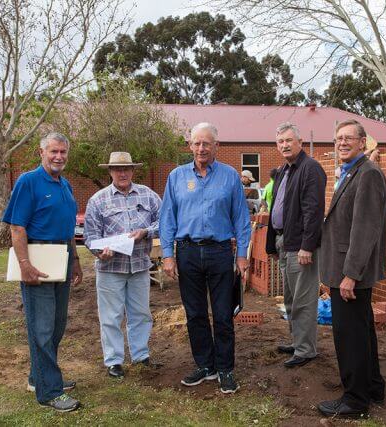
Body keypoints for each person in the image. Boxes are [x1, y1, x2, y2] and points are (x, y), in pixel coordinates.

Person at [159, 122, 251, 394]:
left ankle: (225, 369)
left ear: (216, 146)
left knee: (223, 314)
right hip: (187, 252)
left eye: (206, 143)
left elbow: (241, 219)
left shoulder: (230, 176)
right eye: (196, 143)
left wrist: (242, 256)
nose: (201, 148)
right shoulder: (176, 177)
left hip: (220, 252)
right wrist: (167, 255)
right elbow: (167, 219)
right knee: (195, 313)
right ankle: (205, 365)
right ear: (190, 146)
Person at [2, 132, 83, 413]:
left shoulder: (65, 185)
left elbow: (68, 226)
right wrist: (24, 264)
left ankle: (38, 377)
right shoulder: (28, 181)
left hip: (61, 257)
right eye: (53, 152)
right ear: (41, 152)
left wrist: (75, 260)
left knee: (57, 325)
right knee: (42, 327)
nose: (59, 157)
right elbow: (17, 227)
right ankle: (50, 391)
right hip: (37, 258)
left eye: (63, 152)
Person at [317, 119, 386, 418]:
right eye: (338, 139)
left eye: (349, 138)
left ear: (363, 142)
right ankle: (372, 386)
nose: (342, 143)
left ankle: (355, 400)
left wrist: (350, 275)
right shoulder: (353, 172)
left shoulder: (368, 174)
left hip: (350, 272)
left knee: (349, 336)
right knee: (362, 332)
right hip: (345, 268)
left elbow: (365, 229)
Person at [83, 152, 161, 379]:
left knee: (141, 313)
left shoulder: (148, 195)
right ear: (110, 172)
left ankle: (140, 355)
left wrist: (146, 231)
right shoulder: (98, 200)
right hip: (110, 269)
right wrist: (99, 251)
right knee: (111, 316)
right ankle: (114, 361)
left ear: (133, 170)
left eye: (127, 168)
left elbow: (165, 220)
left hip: (139, 266)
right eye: (117, 169)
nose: (123, 173)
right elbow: (90, 236)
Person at [265, 122, 326, 368]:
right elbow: (275, 209)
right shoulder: (283, 170)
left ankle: (305, 350)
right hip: (284, 242)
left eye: (289, 140)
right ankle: (297, 341)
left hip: (301, 246)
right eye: (280, 142)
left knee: (303, 300)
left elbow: (314, 211)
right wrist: (272, 244)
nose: (284, 145)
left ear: (300, 142)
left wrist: (307, 246)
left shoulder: (310, 169)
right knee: (290, 300)